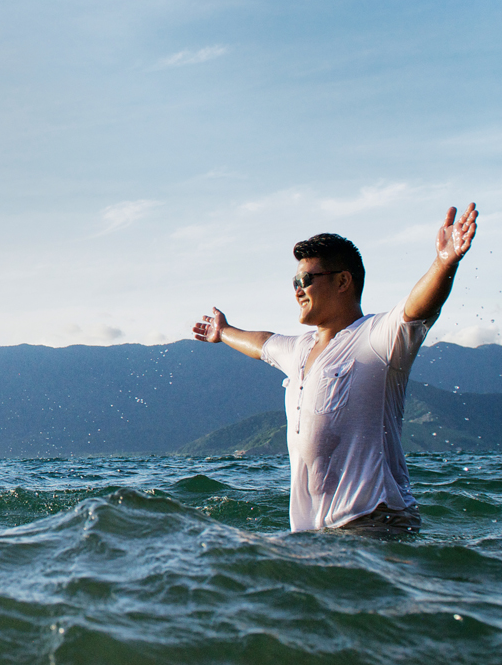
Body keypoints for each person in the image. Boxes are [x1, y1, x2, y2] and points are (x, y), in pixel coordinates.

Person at [192, 204, 477, 534]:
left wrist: (444, 263)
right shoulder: (299, 349)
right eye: (294, 281)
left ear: (343, 281)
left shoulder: (377, 338)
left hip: (373, 523)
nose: (297, 289)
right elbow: (262, 344)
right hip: (316, 536)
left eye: (306, 279)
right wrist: (224, 332)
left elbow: (416, 308)